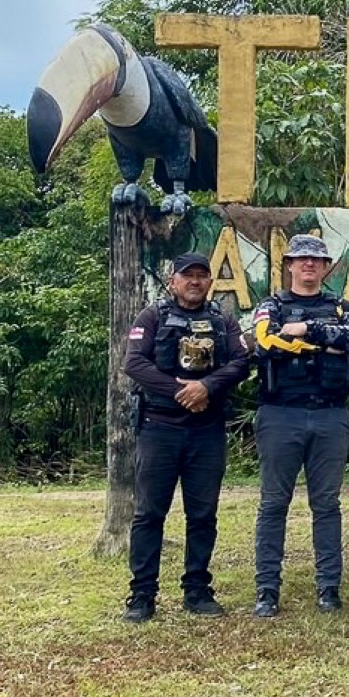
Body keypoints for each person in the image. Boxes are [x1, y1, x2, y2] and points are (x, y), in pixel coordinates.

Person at [120, 252, 251, 623]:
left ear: (209, 281)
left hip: (206, 431)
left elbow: (241, 362)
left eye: (201, 275)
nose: (195, 281)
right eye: (187, 275)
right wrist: (181, 390)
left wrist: (207, 386)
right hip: (159, 428)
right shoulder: (152, 316)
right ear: (172, 281)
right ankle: (142, 594)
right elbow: (134, 363)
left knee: (203, 514)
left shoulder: (222, 319)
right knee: (149, 514)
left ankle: (197, 590)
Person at [249, 233, 349, 618]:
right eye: (301, 259)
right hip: (280, 414)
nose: (309, 265)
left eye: (316, 260)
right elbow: (264, 342)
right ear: (290, 265)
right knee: (273, 504)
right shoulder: (271, 305)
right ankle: (267, 590)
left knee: (327, 504)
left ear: (326, 266)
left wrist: (303, 330)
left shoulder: (340, 306)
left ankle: (329, 588)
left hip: (330, 415)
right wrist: (322, 343)